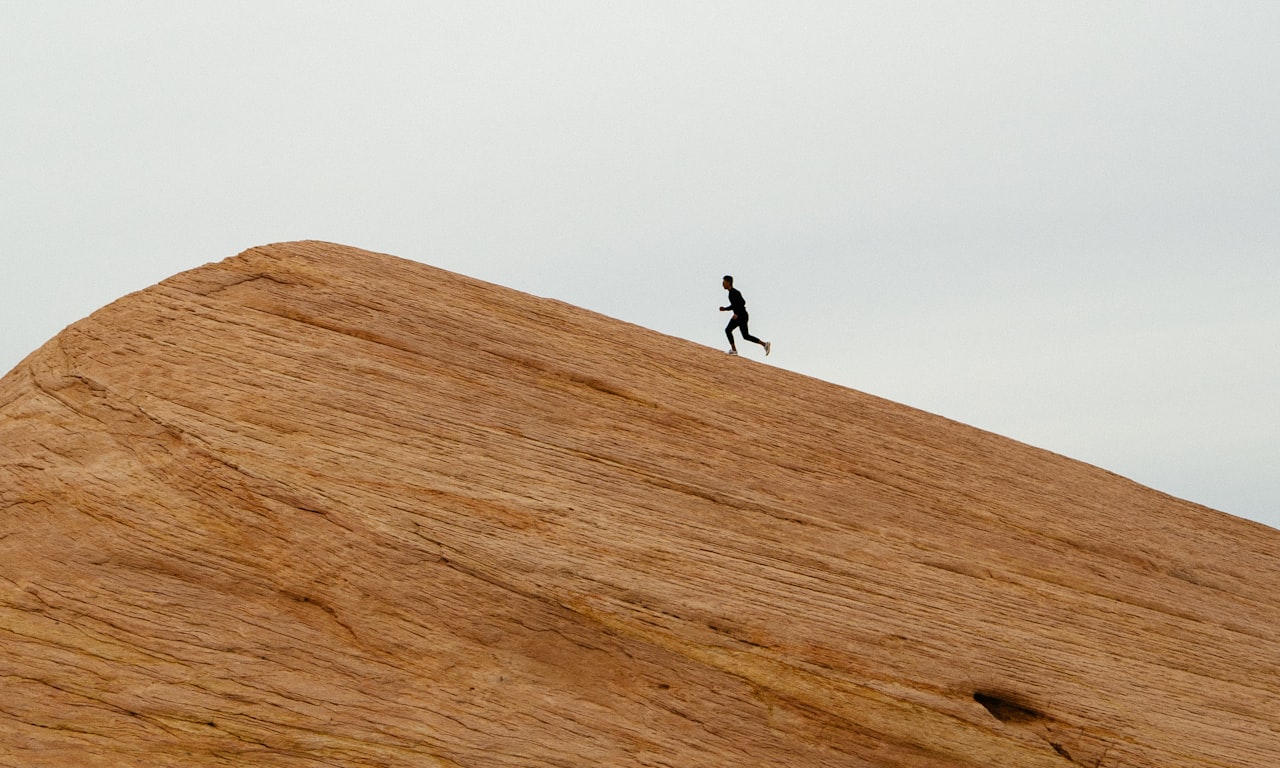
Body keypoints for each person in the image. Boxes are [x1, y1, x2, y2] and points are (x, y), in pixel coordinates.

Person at [720, 275, 771, 357]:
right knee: (745, 336)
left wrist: (737, 313)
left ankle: (734, 350)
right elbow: (735, 305)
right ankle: (765, 344)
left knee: (728, 330)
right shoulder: (731, 293)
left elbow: (742, 302)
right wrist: (725, 309)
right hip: (742, 316)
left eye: (724, 282)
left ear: (728, 282)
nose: (722, 284)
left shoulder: (734, 293)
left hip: (741, 316)